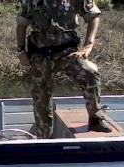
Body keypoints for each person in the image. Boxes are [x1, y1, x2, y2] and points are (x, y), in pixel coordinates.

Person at [16, 0, 112, 139]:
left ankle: (95, 118)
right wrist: (21, 51)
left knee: (90, 72)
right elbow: (21, 25)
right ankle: (44, 139)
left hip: (67, 52)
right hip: (41, 54)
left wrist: (88, 45)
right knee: (42, 98)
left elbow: (93, 16)